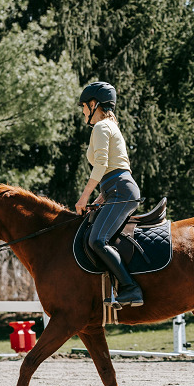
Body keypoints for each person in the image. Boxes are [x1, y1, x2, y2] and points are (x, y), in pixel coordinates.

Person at [75, 82, 144, 308]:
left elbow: (102, 165)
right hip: (116, 188)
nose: (84, 111)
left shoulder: (101, 127)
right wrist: (98, 200)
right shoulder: (110, 127)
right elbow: (112, 170)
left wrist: (84, 197)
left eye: (85, 106)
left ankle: (130, 288)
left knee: (97, 240)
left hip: (120, 190)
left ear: (94, 105)